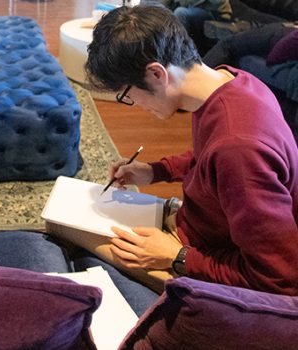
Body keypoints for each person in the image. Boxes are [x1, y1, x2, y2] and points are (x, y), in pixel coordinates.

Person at [84, 5, 298, 296]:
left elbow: (280, 277)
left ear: (157, 74)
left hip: (202, 260)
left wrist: (178, 257)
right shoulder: (232, 82)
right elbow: (208, 159)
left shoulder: (238, 146)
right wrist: (155, 171)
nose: (134, 103)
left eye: (126, 94)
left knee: (77, 240)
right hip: (193, 232)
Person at [141, 0, 232, 54]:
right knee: (165, 14)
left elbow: (217, 4)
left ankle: (178, 51)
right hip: (190, 13)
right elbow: (164, 5)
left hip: (213, 15)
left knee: (180, 12)